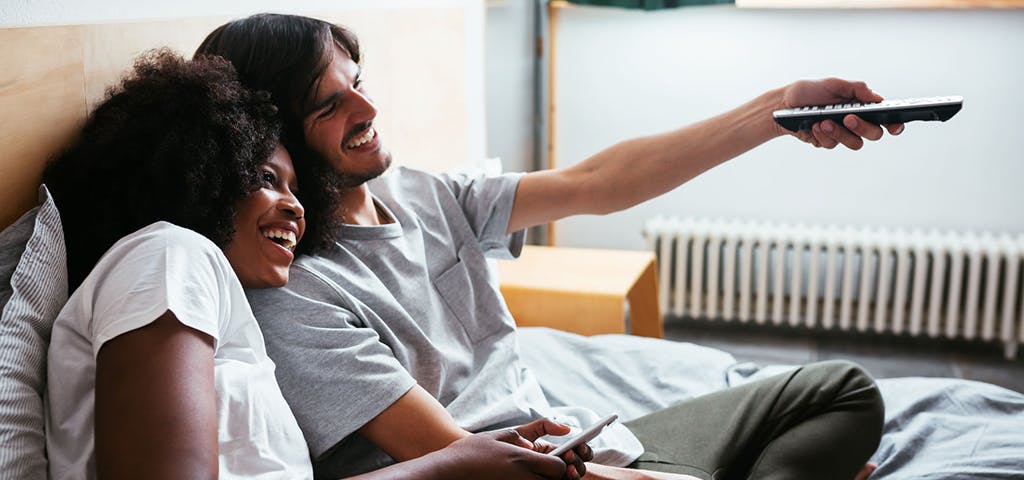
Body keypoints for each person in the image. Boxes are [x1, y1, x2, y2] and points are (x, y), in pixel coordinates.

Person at [196, 13, 891, 480]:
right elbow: (476, 462)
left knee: (844, 393)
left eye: (359, 84)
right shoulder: (296, 293)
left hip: (586, 447)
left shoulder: (424, 194)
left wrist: (777, 110)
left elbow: (598, 181)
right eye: (330, 106)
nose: (368, 111)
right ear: (273, 135)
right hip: (526, 476)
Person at [41, 49, 591, 480]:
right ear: (201, 173)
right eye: (264, 178)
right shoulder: (166, 259)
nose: (296, 206)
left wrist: (468, 458)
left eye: (296, 187)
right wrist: (450, 463)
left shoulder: (215, 299)